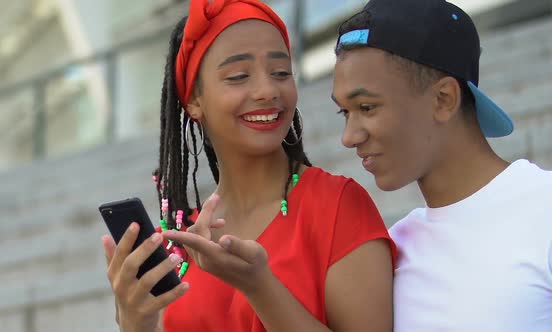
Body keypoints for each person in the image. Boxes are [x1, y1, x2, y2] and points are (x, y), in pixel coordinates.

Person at [101, 0, 396, 331]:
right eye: (239, 76)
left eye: (281, 72)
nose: (268, 90)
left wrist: (259, 287)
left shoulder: (338, 206)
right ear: (195, 101)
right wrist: (134, 324)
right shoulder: (177, 247)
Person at [331, 0, 552, 331]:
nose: (349, 136)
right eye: (344, 112)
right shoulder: (391, 250)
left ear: (444, 100)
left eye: (366, 107)